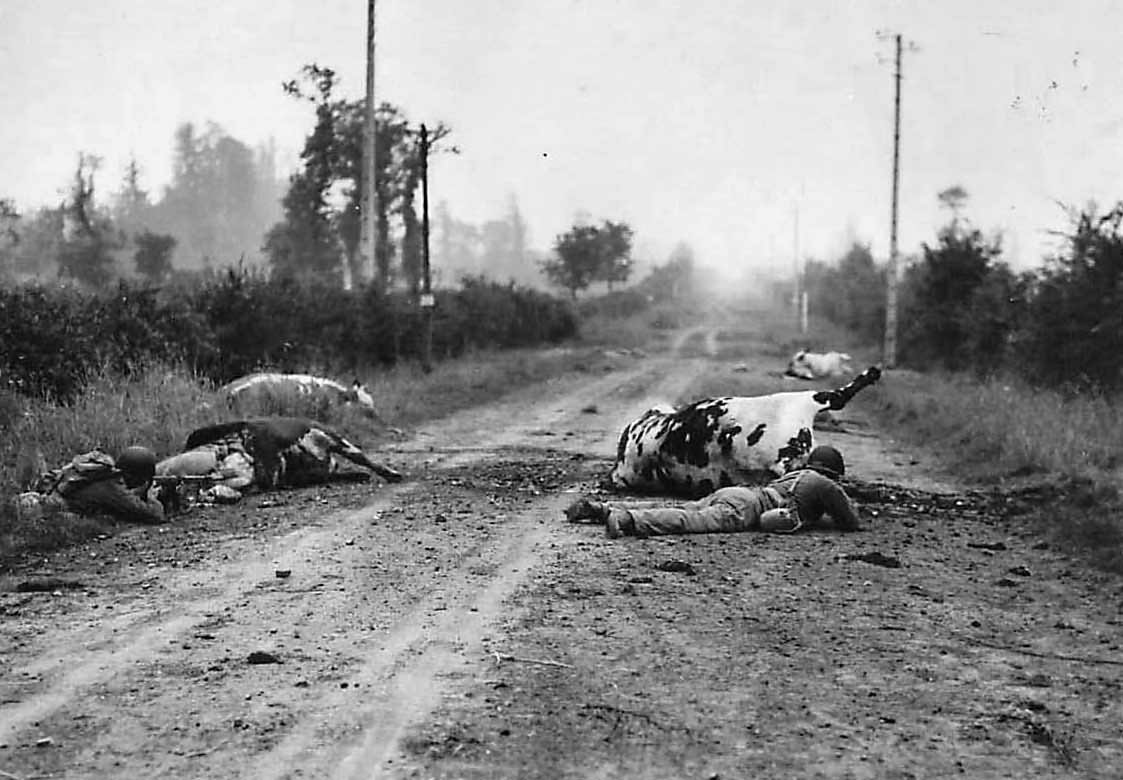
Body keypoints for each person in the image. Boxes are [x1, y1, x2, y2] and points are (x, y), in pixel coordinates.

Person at [565, 445, 860, 538]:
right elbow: (850, 522)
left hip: (741, 494)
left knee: (687, 509)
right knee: (689, 522)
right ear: (833, 471)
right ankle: (628, 519)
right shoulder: (826, 484)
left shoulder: (796, 474)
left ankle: (601, 509)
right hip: (748, 508)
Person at [22, 445, 168, 524]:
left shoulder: (103, 476)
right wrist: (150, 496)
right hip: (41, 509)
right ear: (137, 477)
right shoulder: (113, 488)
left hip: (38, 500)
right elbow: (155, 515)